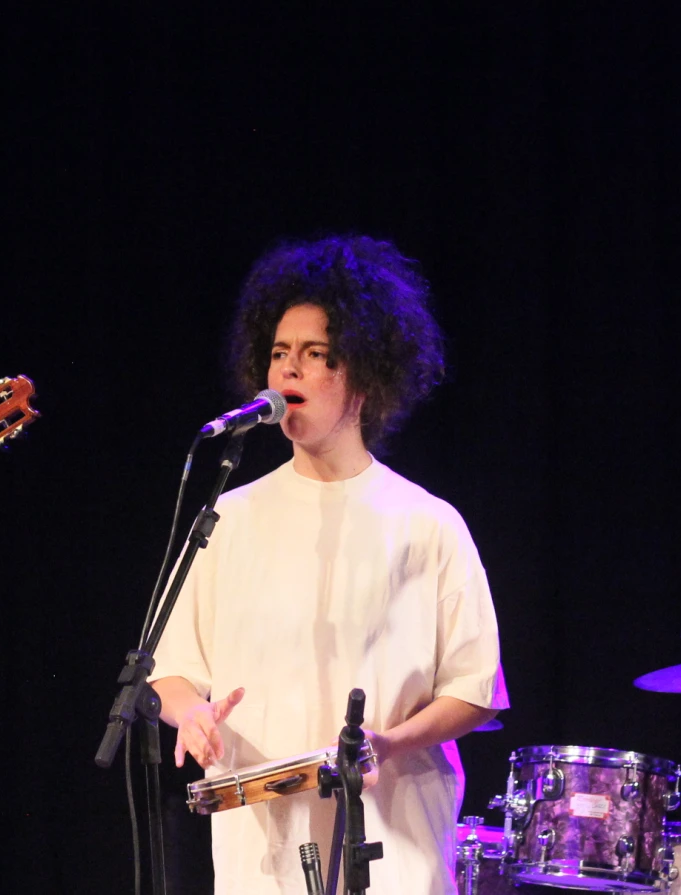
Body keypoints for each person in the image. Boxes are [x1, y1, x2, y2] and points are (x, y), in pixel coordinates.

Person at [152, 235, 509, 894]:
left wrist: (388, 744)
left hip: (392, 839)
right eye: (279, 353)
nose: (289, 370)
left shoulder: (426, 522)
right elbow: (171, 668)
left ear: (365, 377)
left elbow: (473, 688)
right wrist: (190, 713)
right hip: (262, 846)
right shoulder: (227, 516)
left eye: (315, 354)